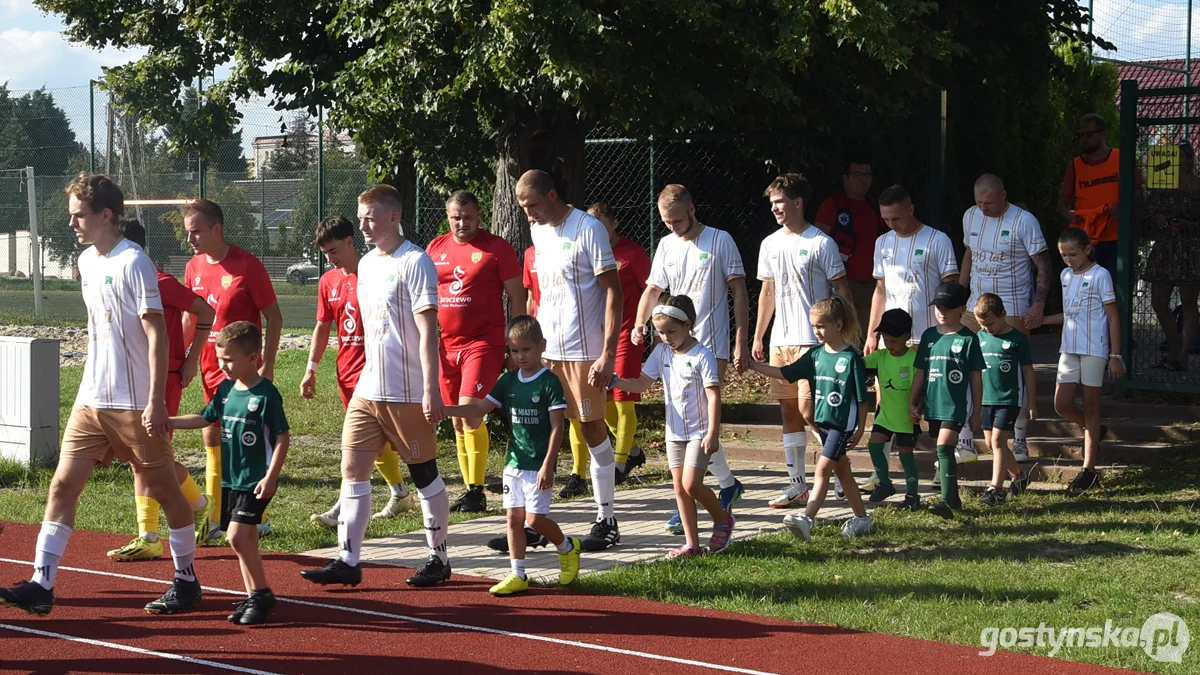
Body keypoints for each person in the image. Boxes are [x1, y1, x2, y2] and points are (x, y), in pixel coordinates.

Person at [0, 174, 202, 616]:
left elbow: (156, 336)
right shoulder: (86, 262)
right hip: (91, 400)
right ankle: (42, 583)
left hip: (133, 404)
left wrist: (154, 401)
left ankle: (186, 579)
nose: (72, 223)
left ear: (105, 215)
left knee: (166, 491)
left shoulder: (134, 262)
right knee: (62, 484)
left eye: (78, 215)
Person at [300, 185, 452, 588]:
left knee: (424, 474)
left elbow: (427, 327)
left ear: (391, 217)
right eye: (360, 216)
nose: (363, 223)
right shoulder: (365, 264)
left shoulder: (415, 261)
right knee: (352, 469)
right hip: (369, 390)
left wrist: (431, 387)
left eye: (369, 216)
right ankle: (348, 559)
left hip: (406, 391)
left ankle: (438, 558)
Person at [517, 170, 624, 552]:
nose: (528, 214)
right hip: (548, 353)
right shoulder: (538, 232)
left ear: (551, 194)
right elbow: (540, 294)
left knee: (592, 432)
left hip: (584, 352)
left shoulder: (588, 228)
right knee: (538, 433)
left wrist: (607, 354)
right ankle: (535, 521)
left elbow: (614, 293)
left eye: (532, 205)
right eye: (523, 208)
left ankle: (607, 518)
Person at [632, 184, 747, 535]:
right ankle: (721, 486)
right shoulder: (667, 244)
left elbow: (739, 289)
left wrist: (741, 338)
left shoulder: (720, 240)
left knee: (702, 419)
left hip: (711, 344)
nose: (672, 227)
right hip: (675, 344)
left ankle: (698, 492)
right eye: (666, 221)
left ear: (692, 210)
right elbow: (653, 289)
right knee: (687, 419)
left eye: (677, 220)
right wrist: (640, 323)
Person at [444, 316, 583, 595]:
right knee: (513, 519)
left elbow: (559, 426)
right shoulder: (507, 381)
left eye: (526, 350)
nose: (520, 356)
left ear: (541, 346)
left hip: (538, 465)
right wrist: (445, 409)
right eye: (514, 350)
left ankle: (568, 547)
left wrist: (548, 466)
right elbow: (478, 409)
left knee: (535, 521)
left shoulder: (550, 383)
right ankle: (518, 574)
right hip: (514, 463)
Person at [105, 219, 213, 562]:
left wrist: (192, 358)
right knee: (146, 458)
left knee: (150, 457)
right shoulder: (117, 278)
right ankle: (198, 508)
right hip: (133, 381)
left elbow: (205, 311)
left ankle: (152, 534)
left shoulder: (158, 280)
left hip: (161, 380)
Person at [169, 322, 289, 624]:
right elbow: (204, 418)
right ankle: (254, 596)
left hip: (255, 480)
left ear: (253, 357)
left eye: (230, 360)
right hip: (230, 480)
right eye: (220, 358)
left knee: (236, 537)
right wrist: (166, 421)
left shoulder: (266, 395)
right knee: (245, 539)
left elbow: (282, 437)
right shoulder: (224, 390)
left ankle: (261, 594)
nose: (223, 366)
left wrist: (271, 476)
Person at [303, 216, 415, 528]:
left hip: (379, 371)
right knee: (365, 442)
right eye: (325, 252)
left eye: (334, 249)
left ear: (351, 241)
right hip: (346, 372)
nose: (330, 258)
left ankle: (353, 504)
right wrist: (310, 369)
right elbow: (323, 326)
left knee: (389, 442)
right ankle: (399, 494)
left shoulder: (373, 270)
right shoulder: (329, 281)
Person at [184, 200, 283, 542]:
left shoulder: (247, 266)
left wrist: (266, 364)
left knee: (246, 443)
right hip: (211, 369)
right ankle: (215, 518)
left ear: (216, 229)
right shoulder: (193, 267)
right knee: (212, 437)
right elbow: (190, 318)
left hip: (243, 373)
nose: (190, 239)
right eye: (188, 232)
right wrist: (187, 359)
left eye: (195, 231)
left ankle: (259, 515)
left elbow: (275, 316)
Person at [755, 173, 853, 509]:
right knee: (789, 414)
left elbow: (841, 289)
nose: (775, 209)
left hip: (814, 343)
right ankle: (797, 484)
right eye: (772, 204)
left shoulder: (821, 243)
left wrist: (847, 332)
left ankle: (841, 473)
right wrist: (759, 335)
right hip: (781, 341)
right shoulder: (769, 244)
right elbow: (767, 292)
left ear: (798, 202)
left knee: (812, 413)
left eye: (779, 202)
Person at [614, 295, 735, 558]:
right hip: (674, 433)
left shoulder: (703, 356)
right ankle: (692, 545)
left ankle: (722, 519)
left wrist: (713, 432)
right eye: (660, 332)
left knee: (692, 485)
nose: (666, 337)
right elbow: (641, 384)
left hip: (699, 433)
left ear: (687, 325)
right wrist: (615, 381)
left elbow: (714, 396)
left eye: (671, 331)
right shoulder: (661, 352)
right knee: (679, 489)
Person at [427, 190, 525, 512]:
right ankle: (470, 489)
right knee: (455, 420)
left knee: (471, 412)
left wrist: (517, 346)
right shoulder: (436, 248)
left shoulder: (497, 249)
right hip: (447, 345)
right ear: (448, 215)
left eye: (468, 217)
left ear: (479, 215)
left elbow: (517, 300)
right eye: (456, 217)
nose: (462, 223)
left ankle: (477, 490)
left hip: (484, 342)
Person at [750, 297, 874, 541]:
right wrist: (753, 365)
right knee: (844, 473)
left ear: (838, 325)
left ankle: (807, 519)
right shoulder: (815, 355)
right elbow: (784, 373)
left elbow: (862, 399)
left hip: (842, 426)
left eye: (821, 326)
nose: (816, 331)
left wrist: (860, 429)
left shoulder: (851, 359)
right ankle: (863, 519)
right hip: (824, 423)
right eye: (814, 326)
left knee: (822, 469)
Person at [959, 174, 1050, 463]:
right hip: (975, 305)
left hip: (1011, 306)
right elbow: (970, 254)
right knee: (960, 363)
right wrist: (960, 292)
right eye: (978, 202)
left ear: (1003, 195)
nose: (982, 207)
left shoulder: (1024, 221)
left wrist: (1038, 305)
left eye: (988, 202)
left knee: (1011, 373)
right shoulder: (971, 216)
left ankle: (1019, 438)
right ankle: (965, 440)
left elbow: (1044, 265)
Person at [1041, 227, 1123, 495]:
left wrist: (1115, 355)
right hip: (1069, 347)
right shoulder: (1065, 276)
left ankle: (1089, 469)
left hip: (1095, 349)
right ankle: (1094, 430)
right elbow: (1070, 313)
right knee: (1061, 404)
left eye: (1073, 254)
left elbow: (1112, 316)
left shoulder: (1100, 275)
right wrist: (1041, 321)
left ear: (1087, 249)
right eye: (1063, 255)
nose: (1068, 260)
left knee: (1090, 405)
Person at [908, 281, 984, 520]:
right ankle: (953, 500)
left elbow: (976, 378)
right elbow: (921, 370)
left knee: (943, 447)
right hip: (933, 404)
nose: (941, 312)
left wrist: (977, 411)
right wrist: (914, 399)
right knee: (942, 449)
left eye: (948, 308)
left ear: (962, 308)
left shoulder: (969, 339)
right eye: (938, 307)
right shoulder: (929, 336)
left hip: (956, 404)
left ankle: (946, 501)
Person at [588, 202, 651, 484]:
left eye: (602, 223)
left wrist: (647, 325)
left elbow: (653, 291)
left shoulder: (633, 253)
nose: (597, 230)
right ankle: (633, 450)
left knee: (623, 398)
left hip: (627, 334)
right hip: (597, 337)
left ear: (614, 224)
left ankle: (620, 464)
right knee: (605, 399)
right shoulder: (587, 253)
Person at [1058, 113, 1143, 276]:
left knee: (1113, 289)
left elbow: (1138, 193)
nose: (1084, 139)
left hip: (1117, 239)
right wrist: (1068, 214)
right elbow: (1062, 201)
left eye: (1089, 134)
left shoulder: (1121, 159)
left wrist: (1124, 206)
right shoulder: (1076, 165)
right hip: (1084, 242)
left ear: (1103, 134)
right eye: (1081, 135)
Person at [972, 294, 1037, 506]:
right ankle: (1019, 476)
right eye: (982, 324)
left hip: (1009, 398)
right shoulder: (979, 338)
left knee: (999, 441)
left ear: (1003, 315)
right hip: (985, 399)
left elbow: (1028, 372)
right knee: (992, 443)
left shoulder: (1018, 339)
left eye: (990, 323)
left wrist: (1031, 403)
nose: (987, 328)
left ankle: (995, 489)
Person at [1142, 142, 1200, 371]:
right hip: (1166, 248)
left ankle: (1184, 355)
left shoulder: (1197, 185)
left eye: (1180, 156)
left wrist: (1190, 225)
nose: (1176, 160)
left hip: (1191, 247)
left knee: (1188, 303)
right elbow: (1146, 212)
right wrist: (1155, 218)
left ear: (1189, 159)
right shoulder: (1163, 181)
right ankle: (1174, 348)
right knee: (1158, 302)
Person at [815, 156, 888, 332]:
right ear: (845, 178)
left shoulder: (873, 205)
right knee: (843, 330)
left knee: (870, 331)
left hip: (873, 283)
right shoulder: (833, 204)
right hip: (843, 282)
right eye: (857, 174)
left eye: (867, 175)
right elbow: (819, 243)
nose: (863, 179)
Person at [862, 309, 921, 510]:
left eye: (894, 340)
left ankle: (913, 495)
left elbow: (922, 388)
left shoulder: (914, 359)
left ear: (906, 336)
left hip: (906, 418)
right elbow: (858, 364)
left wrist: (918, 408)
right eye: (885, 339)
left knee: (906, 456)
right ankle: (885, 483)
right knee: (874, 445)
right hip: (885, 414)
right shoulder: (880, 356)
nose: (889, 343)